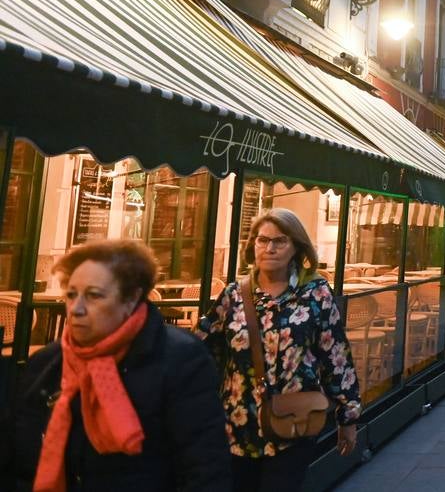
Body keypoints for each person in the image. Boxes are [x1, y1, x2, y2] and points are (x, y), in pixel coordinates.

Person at [2, 239, 231, 491]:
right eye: (71, 294)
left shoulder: (180, 360)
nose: (76, 309)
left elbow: (205, 468)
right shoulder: (45, 364)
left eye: (93, 296)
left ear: (131, 299)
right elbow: (18, 459)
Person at [198, 209, 362, 491]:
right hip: (238, 424)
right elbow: (203, 351)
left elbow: (335, 356)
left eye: (280, 241)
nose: (269, 248)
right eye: (263, 240)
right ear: (253, 245)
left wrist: (348, 416)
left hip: (294, 424)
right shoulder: (234, 295)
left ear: (296, 247)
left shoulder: (316, 293)